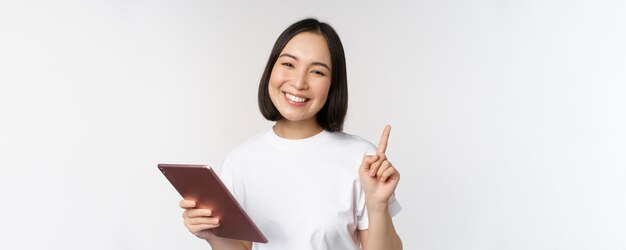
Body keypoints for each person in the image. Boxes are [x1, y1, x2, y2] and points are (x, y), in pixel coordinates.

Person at [179, 18, 402, 250]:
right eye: (288, 64)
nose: (298, 82)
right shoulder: (240, 160)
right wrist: (212, 234)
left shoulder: (362, 159)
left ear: (333, 85)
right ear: (271, 70)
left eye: (317, 71)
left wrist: (377, 206)